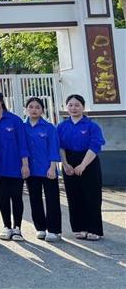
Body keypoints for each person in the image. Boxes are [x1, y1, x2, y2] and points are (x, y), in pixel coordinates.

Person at [58, 93, 106, 241]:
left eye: (77, 105)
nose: (73, 108)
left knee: (92, 196)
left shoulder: (92, 126)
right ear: (66, 107)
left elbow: (95, 146)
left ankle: (94, 229)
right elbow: (60, 146)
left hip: (89, 161)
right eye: (70, 105)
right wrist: (65, 165)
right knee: (74, 196)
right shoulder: (62, 126)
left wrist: (83, 165)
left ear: (83, 107)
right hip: (69, 162)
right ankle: (80, 228)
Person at [0, 89, 30, 241]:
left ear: (1, 101)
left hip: (16, 165)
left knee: (16, 196)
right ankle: (7, 227)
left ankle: (17, 228)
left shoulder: (15, 120)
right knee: (3, 196)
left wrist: (25, 165)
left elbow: (22, 143)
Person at [24, 97, 62, 242]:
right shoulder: (22, 127)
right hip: (31, 170)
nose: (34, 110)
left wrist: (52, 167)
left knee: (52, 200)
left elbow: (54, 149)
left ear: (43, 110)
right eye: (31, 107)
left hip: (47, 169)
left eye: (37, 107)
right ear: (26, 109)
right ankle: (40, 228)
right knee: (35, 199)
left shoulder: (49, 127)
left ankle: (54, 230)